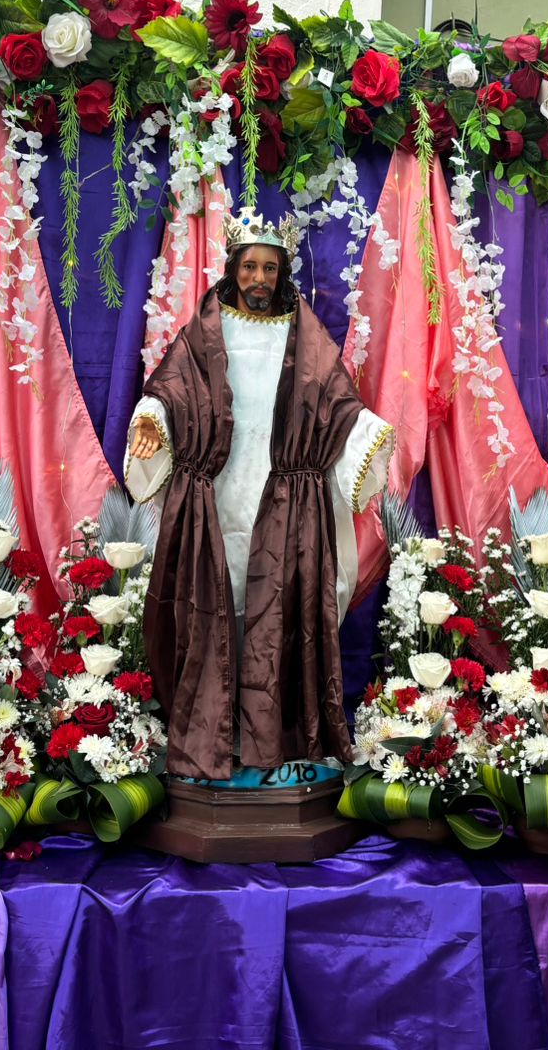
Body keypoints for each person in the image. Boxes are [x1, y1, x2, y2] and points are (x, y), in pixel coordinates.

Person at [126, 206, 394, 781]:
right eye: (250, 267)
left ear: (282, 273)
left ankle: (275, 741)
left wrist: (367, 433)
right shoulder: (204, 331)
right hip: (214, 495)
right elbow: (169, 391)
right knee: (214, 605)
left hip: (285, 498)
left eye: (270, 269)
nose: (259, 280)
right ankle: (212, 739)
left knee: (278, 612)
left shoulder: (305, 332)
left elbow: (336, 402)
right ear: (233, 268)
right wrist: (152, 419)